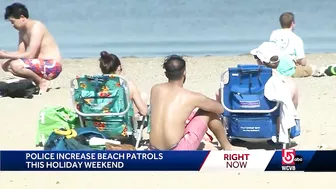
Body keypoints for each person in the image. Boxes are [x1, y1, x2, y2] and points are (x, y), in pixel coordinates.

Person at [149, 54, 247, 150]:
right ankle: (228, 146)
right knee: (208, 111)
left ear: (166, 74)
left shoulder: (155, 89)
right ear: (184, 74)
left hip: (154, 150)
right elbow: (220, 109)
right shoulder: (192, 96)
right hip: (177, 151)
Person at [0, 3, 62, 93]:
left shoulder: (36, 27)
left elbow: (30, 54)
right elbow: (20, 53)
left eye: (13, 22)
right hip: (39, 65)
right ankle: (35, 80)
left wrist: (6, 55)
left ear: (22, 17)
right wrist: (3, 54)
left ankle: (42, 82)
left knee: (15, 65)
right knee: (5, 65)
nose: (12, 25)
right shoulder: (22, 31)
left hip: (52, 66)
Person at [250, 42, 299, 109]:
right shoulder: (289, 82)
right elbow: (294, 107)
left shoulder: (251, 80)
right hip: (281, 117)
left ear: (261, 61)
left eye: (256, 57)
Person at [99, 51, 148, 116]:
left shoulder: (93, 86)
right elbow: (144, 112)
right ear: (119, 67)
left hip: (96, 124)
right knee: (144, 96)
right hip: (121, 124)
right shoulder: (128, 86)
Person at [270, 12, 316, 78]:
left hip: (274, 68)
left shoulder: (274, 34)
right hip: (288, 71)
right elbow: (303, 62)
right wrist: (299, 61)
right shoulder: (296, 39)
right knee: (311, 68)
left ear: (280, 23)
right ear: (292, 23)